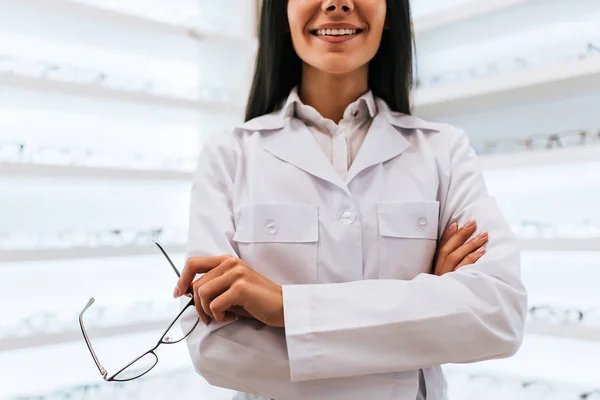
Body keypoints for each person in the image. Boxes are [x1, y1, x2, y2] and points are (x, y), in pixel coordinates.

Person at [174, 1, 528, 399]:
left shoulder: (443, 150)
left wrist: (285, 308)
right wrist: (412, 357)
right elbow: (215, 350)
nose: (336, 4)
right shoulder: (230, 154)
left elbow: (498, 313)